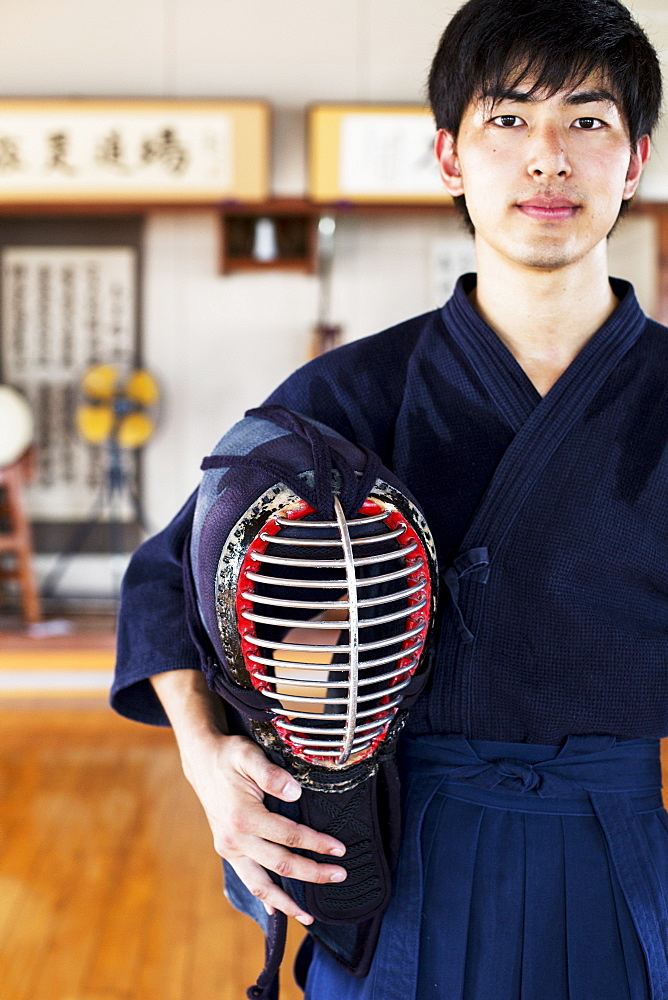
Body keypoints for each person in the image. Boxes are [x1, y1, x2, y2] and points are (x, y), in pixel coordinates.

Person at [112, 0, 668, 996]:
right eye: (507, 118)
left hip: (623, 854)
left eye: (586, 120)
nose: (546, 157)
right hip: (399, 848)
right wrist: (203, 758)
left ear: (632, 162)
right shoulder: (353, 391)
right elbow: (167, 574)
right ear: (449, 155)